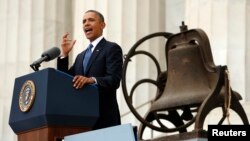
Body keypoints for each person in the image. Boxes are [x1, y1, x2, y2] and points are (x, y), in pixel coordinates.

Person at [57, 10, 123, 130]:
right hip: (82, 121)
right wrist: (64, 55)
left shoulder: (111, 48)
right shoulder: (80, 56)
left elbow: (114, 80)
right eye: (84, 21)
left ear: (102, 25)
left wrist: (91, 80)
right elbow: (65, 81)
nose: (86, 24)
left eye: (91, 20)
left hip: (105, 120)